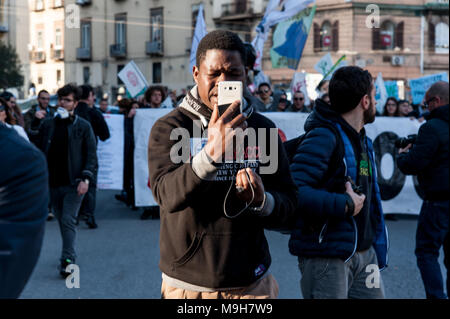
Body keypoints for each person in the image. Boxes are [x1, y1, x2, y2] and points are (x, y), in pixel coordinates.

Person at [148, 30, 297, 299]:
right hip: (187, 286)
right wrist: (210, 155)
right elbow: (166, 195)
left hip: (252, 285)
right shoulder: (169, 128)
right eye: (214, 73)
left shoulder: (263, 129)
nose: (223, 82)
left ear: (246, 76)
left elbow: (290, 206)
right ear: (196, 73)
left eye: (233, 73)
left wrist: (263, 202)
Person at [289, 66, 388, 299]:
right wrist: (344, 204)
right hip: (328, 257)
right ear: (365, 101)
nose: (376, 102)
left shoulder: (363, 139)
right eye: (374, 97)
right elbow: (295, 192)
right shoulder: (323, 137)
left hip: (366, 254)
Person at [35, 84, 97, 278]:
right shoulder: (48, 124)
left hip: (74, 182)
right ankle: (68, 252)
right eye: (60, 99)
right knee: (63, 221)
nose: (63, 102)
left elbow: (91, 155)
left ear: (75, 103)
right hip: (53, 182)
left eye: (67, 100)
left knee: (68, 220)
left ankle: (68, 260)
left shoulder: (83, 126)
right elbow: (35, 144)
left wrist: (85, 178)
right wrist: (34, 124)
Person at [397, 81, 449, 299]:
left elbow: (413, 164)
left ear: (437, 101)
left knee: (426, 252)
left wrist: (402, 155)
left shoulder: (431, 128)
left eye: (427, 104)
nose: (425, 108)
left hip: (437, 202)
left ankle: (437, 297)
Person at [0, 123, 48, 298]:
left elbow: (10, 256)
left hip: (70, 182)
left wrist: (86, 175)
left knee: (68, 221)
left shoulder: (21, 160)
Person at [75, 84, 110, 229]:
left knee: (73, 183)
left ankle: (75, 215)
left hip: (71, 154)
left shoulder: (71, 111)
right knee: (90, 184)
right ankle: (89, 215)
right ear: (89, 96)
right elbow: (105, 135)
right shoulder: (94, 113)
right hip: (90, 154)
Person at [115, 99, 139, 211]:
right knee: (130, 177)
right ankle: (131, 199)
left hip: (139, 152)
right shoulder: (126, 119)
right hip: (129, 152)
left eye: (137, 108)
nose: (135, 110)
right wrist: (129, 118)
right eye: (133, 108)